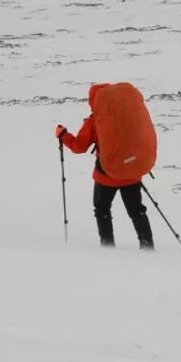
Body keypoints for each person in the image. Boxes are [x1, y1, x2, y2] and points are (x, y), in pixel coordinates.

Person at [56, 82, 156, 249]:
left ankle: (108, 247)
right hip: (132, 174)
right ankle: (147, 246)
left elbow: (79, 147)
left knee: (102, 210)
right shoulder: (128, 116)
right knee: (137, 210)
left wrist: (63, 135)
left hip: (106, 175)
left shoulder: (95, 121)